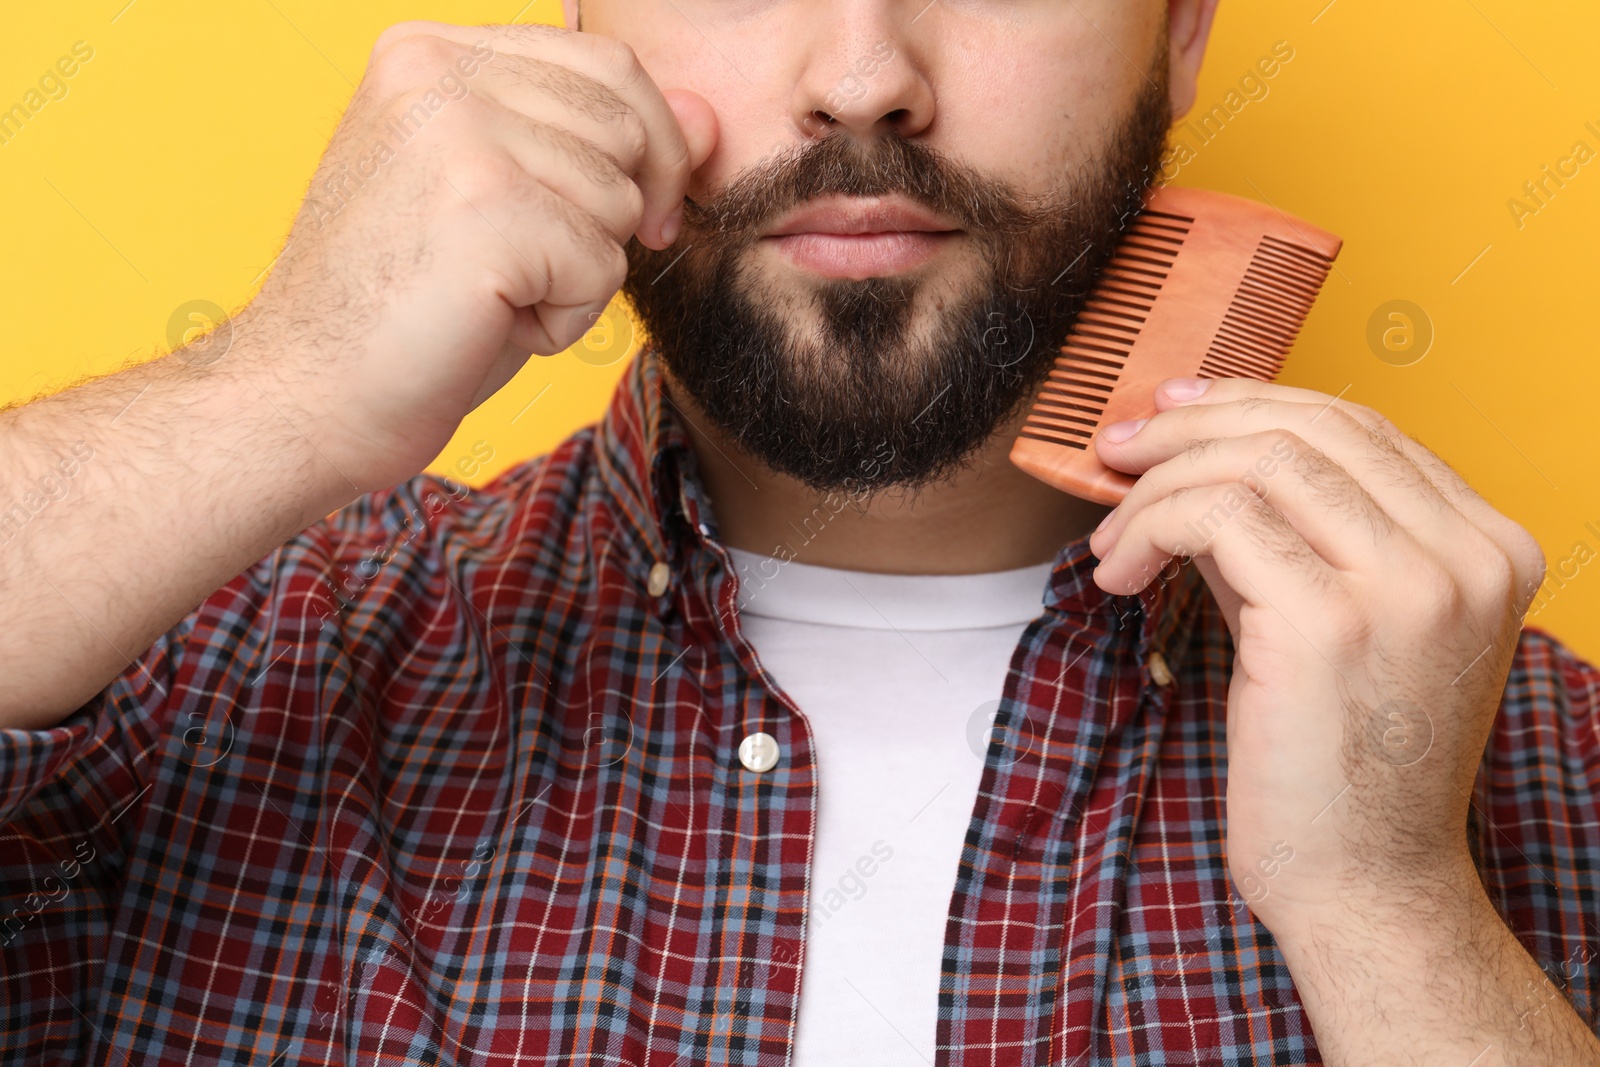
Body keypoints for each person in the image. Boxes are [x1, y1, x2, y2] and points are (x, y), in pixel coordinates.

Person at [1, 1, 1597, 1063]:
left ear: (1178, 40)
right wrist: (270, 392)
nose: (861, 74)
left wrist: (1393, 909)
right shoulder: (175, 674)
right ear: (584, 27)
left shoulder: (1544, 771)